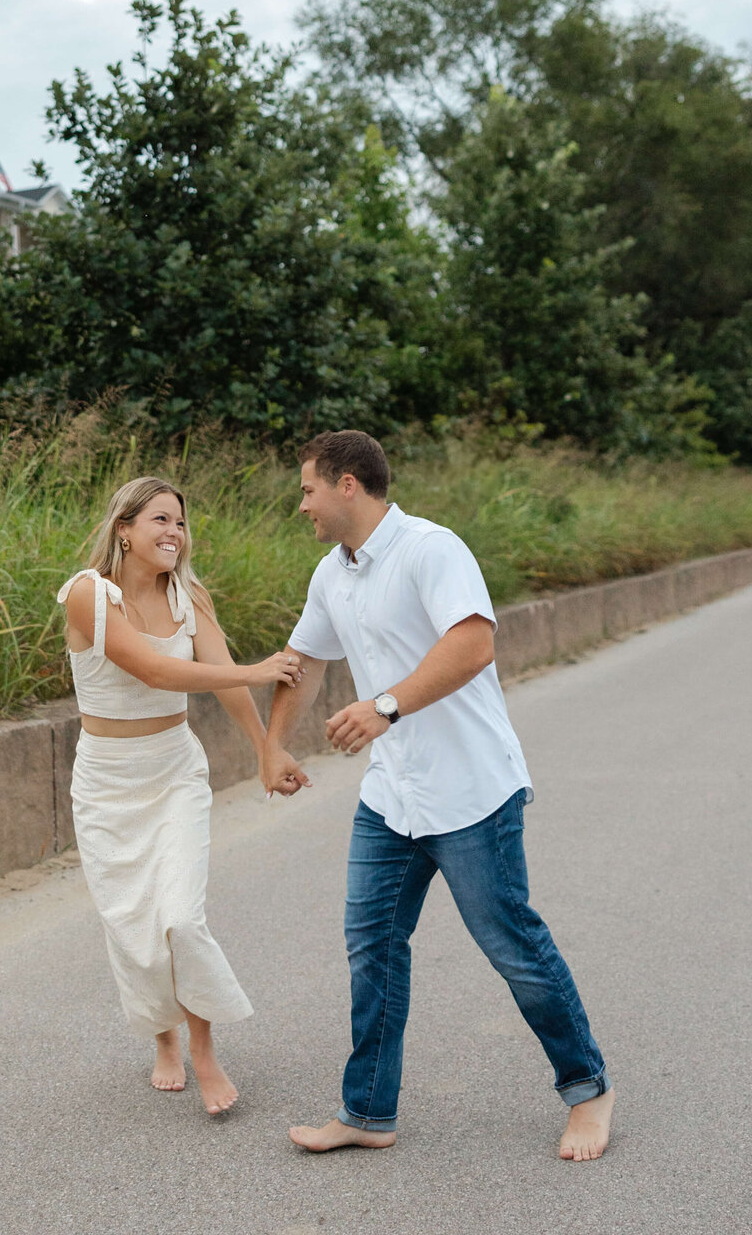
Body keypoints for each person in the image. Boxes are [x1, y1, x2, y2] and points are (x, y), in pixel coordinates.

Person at [262, 430, 614, 1161]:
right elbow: (306, 662)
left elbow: (474, 643)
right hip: (393, 796)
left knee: (511, 943)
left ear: (347, 485)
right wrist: (272, 746)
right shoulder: (332, 573)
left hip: (471, 790)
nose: (303, 505)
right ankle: (368, 1111)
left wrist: (384, 706)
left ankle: (588, 1089)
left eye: (307, 490)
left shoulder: (432, 548)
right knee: (373, 946)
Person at [59, 474, 303, 1115]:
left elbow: (221, 683)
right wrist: (256, 668)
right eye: (160, 520)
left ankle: (202, 1048)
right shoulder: (88, 595)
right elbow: (155, 668)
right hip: (108, 780)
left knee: (181, 918)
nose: (173, 533)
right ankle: (161, 1037)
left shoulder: (187, 593)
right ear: (125, 530)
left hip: (174, 772)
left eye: (180, 523)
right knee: (133, 926)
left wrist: (264, 750)